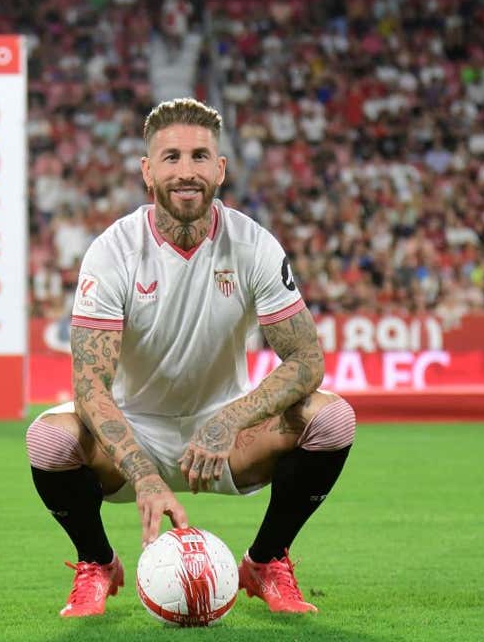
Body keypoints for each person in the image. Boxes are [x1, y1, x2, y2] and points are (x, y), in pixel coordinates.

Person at [26, 98, 356, 617]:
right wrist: (146, 475)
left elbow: (306, 361)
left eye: (200, 157)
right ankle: (97, 562)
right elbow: (89, 385)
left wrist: (230, 417)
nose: (186, 172)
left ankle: (267, 561)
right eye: (171, 157)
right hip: (133, 432)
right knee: (48, 439)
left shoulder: (254, 245)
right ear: (147, 171)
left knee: (333, 420)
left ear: (220, 169)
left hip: (228, 433)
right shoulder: (113, 251)